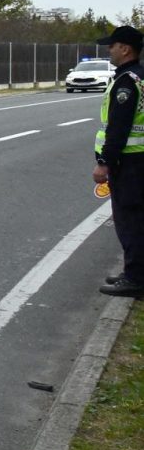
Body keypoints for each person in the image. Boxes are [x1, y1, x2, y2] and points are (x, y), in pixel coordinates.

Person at [93, 25, 144, 296]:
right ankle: (133, 272)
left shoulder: (127, 82)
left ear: (125, 49)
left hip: (130, 163)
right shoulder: (139, 76)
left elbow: (119, 127)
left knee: (130, 220)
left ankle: (135, 279)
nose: (109, 50)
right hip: (137, 161)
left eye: (112, 46)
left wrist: (104, 162)